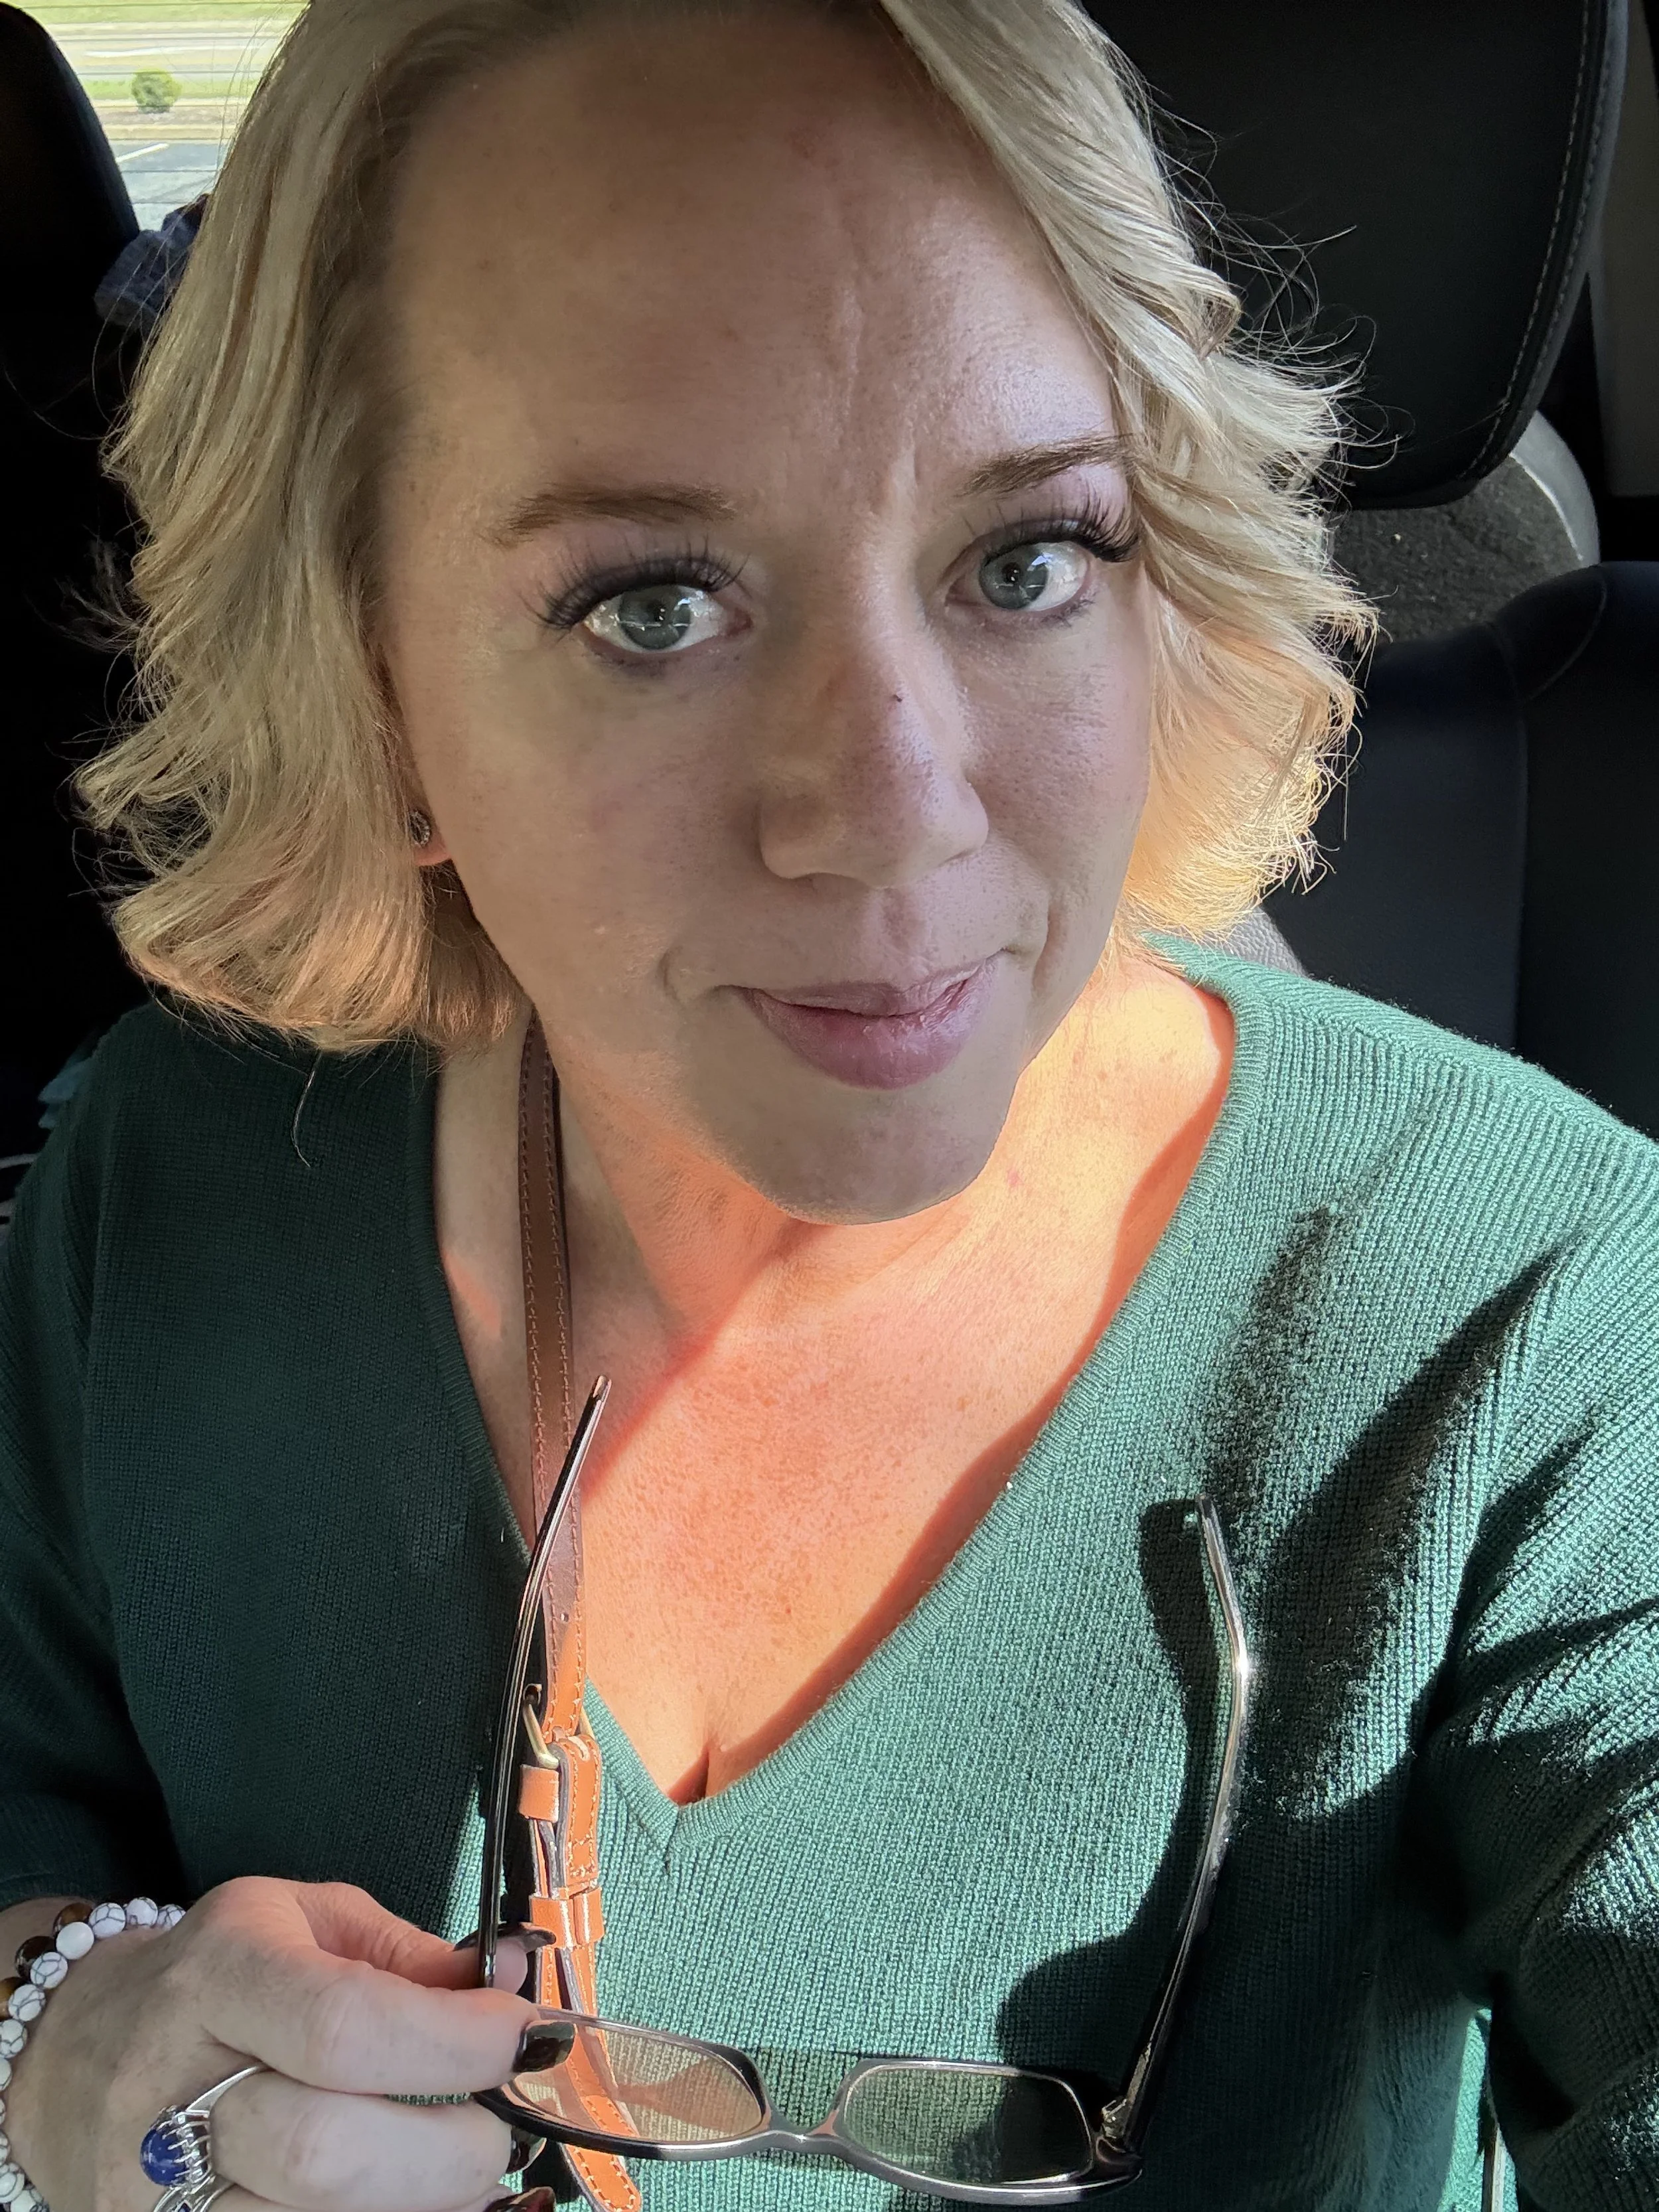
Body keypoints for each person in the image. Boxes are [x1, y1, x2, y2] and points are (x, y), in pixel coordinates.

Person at [1, 0, 1656, 2207]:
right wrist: (62, 2035)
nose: (892, 811)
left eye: (1026, 557)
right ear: (366, 675)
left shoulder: (1539, 1318)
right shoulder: (168, 1185)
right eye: (652, 602)